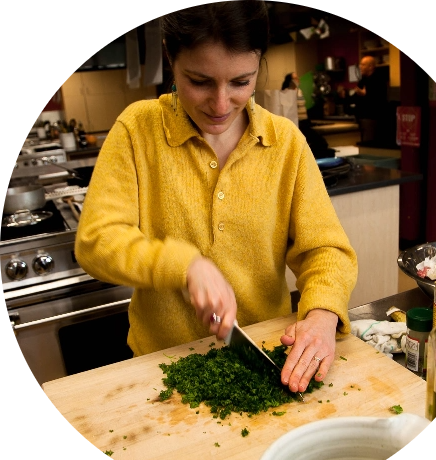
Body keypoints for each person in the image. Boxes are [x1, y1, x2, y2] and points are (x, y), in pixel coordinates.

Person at [75, 0, 357, 395]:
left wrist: (323, 314)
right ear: (172, 59)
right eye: (200, 81)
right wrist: (184, 264)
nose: (221, 104)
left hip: (264, 359)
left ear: (259, 63)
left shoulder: (285, 142)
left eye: (241, 82)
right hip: (159, 369)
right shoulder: (137, 130)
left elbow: (326, 250)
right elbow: (96, 242)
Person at [281, 72, 335, 159]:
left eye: (297, 78)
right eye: (295, 78)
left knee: (319, 142)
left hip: (305, 121)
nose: (297, 80)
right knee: (319, 142)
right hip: (297, 123)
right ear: (290, 81)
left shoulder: (299, 91)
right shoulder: (287, 93)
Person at [353, 55, 388, 145]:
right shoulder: (363, 80)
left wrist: (365, 94)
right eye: (360, 64)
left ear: (371, 67)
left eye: (363, 64)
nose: (360, 67)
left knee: (369, 144)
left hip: (372, 118)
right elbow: (355, 96)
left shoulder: (378, 80)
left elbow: (378, 100)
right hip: (362, 117)